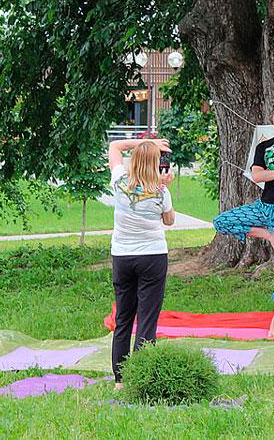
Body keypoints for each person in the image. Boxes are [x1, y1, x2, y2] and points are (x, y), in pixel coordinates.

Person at [212, 37, 274, 338]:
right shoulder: (265, 144)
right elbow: (257, 176)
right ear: (272, 118)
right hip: (264, 209)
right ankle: (267, 236)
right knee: (221, 221)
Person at [107, 137, 176, 388]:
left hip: (122, 256)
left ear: (134, 160)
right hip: (152, 256)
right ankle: (141, 378)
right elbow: (169, 221)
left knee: (123, 319)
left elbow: (114, 146)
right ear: (157, 164)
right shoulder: (160, 192)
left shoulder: (119, 181)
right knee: (147, 319)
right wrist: (163, 186)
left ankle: (120, 380)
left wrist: (148, 141)